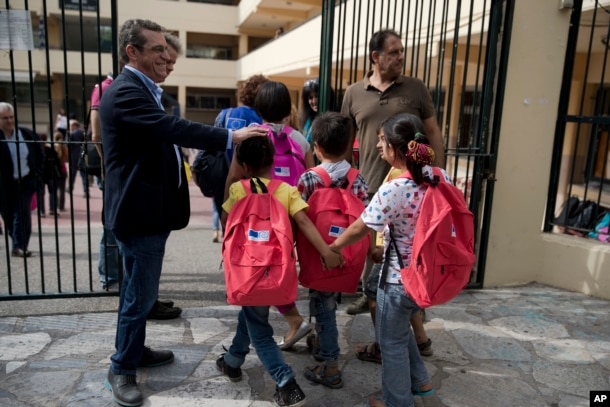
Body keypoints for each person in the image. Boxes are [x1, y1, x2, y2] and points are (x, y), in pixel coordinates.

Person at [100, 19, 268, 407]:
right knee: (138, 297)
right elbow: (169, 127)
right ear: (132, 52)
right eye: (157, 49)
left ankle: (135, 351)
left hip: (146, 211)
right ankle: (122, 367)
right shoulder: (126, 92)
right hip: (137, 213)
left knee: (137, 291)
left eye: (166, 49)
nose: (167, 55)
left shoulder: (141, 90)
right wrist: (231, 136)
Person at [217, 135, 342, 407]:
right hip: (275, 270)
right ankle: (232, 361)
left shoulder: (239, 190)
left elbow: (226, 221)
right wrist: (327, 252)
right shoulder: (286, 191)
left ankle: (286, 383)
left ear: (245, 166)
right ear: (272, 162)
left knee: (259, 331)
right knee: (251, 314)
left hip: (247, 271)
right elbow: (306, 224)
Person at [329, 113, 437, 407]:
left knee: (390, 343)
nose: (378, 146)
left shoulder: (394, 188)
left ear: (394, 148)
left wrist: (334, 248)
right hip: (428, 275)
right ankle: (421, 383)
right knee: (400, 331)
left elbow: (360, 226)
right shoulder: (439, 177)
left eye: (381, 140)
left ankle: (396, 402)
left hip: (399, 280)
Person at [341, 28, 445, 317]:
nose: (401, 57)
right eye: (394, 52)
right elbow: (348, 140)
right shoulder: (353, 93)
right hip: (371, 183)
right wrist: (346, 178)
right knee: (371, 245)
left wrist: (436, 171)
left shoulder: (416, 88)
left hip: (412, 184)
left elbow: (433, 131)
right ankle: (369, 294)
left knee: (409, 244)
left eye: (401, 51)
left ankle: (413, 299)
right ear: (376, 56)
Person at [224, 80, 315, 350]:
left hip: (256, 220)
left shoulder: (249, 135)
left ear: (257, 107)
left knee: (259, 270)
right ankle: (293, 321)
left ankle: (289, 322)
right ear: (288, 107)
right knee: (278, 268)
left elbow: (233, 177)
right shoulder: (300, 140)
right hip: (290, 217)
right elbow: (310, 181)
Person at [296, 111, 369, 389]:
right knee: (328, 300)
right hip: (347, 254)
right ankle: (320, 340)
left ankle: (330, 365)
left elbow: (298, 218)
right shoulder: (358, 179)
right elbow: (366, 218)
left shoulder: (308, 179)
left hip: (318, 254)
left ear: (317, 147)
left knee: (323, 304)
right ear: (350, 144)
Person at [0, 102, 44, 257]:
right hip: (5, 185)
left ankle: (19, 246)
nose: (9, 121)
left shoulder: (26, 134)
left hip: (25, 182)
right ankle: (17, 240)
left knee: (22, 213)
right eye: (5, 118)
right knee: (8, 216)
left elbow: (39, 155)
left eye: (11, 117)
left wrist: (38, 175)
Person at [67, 119, 90, 198]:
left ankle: (70, 188)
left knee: (72, 173)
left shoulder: (72, 133)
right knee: (84, 174)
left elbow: (67, 144)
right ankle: (86, 191)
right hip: (83, 154)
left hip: (73, 155)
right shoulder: (83, 133)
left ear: (74, 126)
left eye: (71, 126)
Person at [298, 78, 319, 145]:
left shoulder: (330, 120)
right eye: (310, 98)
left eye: (317, 96)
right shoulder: (307, 120)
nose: (314, 101)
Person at [53, 131, 68, 212]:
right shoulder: (64, 147)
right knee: (62, 189)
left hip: (55, 170)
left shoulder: (53, 147)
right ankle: (61, 206)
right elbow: (66, 158)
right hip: (63, 170)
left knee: (54, 189)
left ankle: (54, 205)